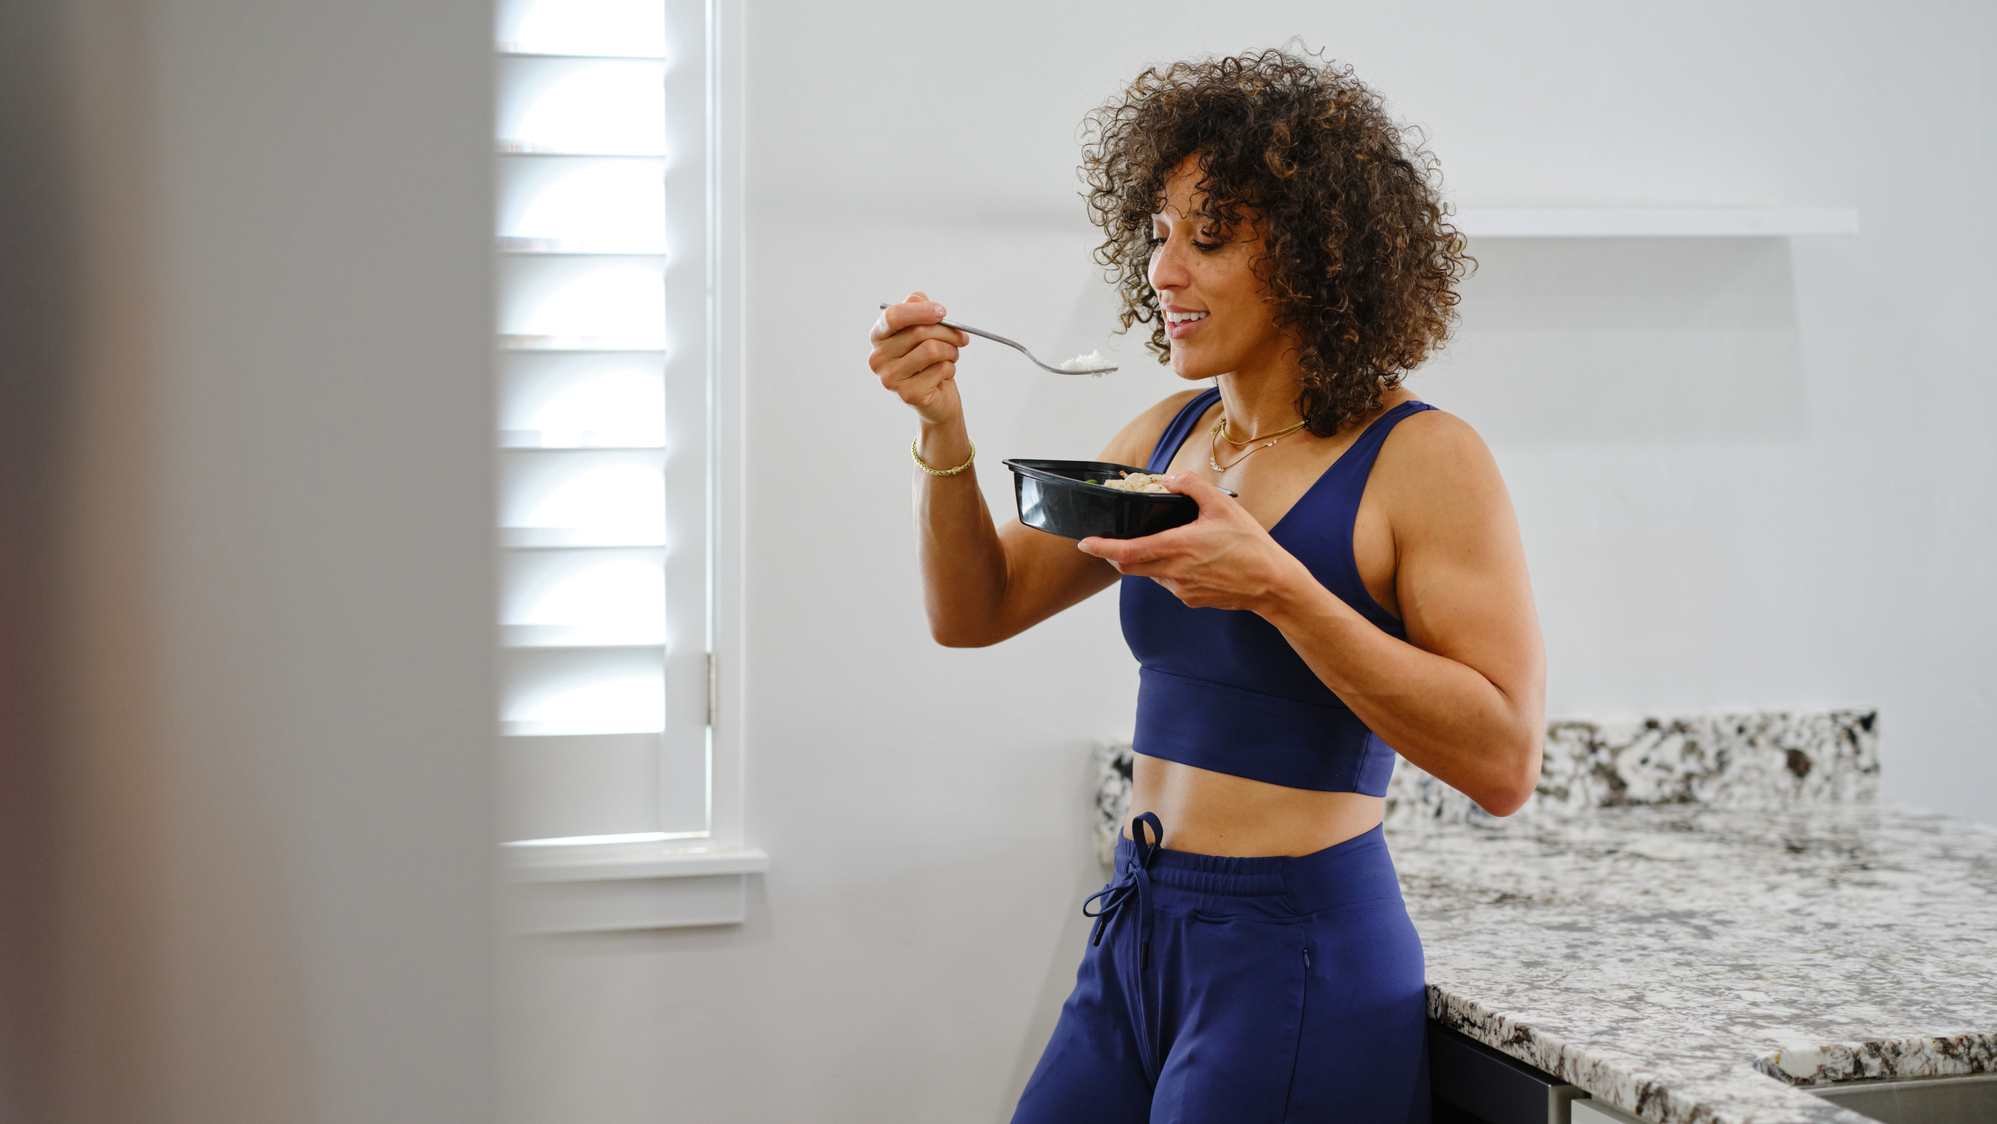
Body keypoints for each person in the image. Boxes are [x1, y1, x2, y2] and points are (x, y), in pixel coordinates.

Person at [868, 49, 1543, 1124]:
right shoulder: (1168, 434)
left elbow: (1503, 757)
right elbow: (974, 608)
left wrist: (1278, 587)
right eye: (1156, 235)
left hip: (1295, 951)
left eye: (1208, 238)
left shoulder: (1423, 457)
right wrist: (942, 428)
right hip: (1138, 931)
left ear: (1321, 256)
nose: (1161, 273)